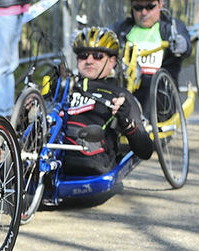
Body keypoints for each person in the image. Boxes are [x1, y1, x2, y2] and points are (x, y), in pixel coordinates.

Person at [61, 27, 155, 178]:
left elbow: (146, 151)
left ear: (111, 61)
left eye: (97, 56)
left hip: (90, 157)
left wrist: (125, 120)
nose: (89, 61)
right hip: (52, 150)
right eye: (83, 55)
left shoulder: (120, 95)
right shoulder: (65, 86)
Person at [111, 0, 191, 106]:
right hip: (126, 87)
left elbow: (186, 45)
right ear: (131, 7)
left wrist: (182, 44)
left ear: (160, 4)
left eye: (150, 7)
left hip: (159, 92)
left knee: (152, 86)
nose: (144, 12)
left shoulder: (171, 27)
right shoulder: (121, 28)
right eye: (138, 8)